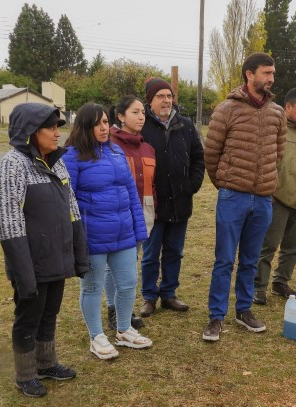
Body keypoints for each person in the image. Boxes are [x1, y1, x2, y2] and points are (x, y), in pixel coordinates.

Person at [0, 103, 88, 398]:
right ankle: (25, 374)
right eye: (51, 128)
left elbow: (72, 209)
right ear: (31, 132)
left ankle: (47, 363)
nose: (58, 133)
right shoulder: (12, 165)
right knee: (29, 315)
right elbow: (8, 221)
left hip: (56, 256)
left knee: (50, 311)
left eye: (58, 127)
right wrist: (23, 270)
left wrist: (78, 252)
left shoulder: (56, 163)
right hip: (30, 259)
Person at [202, 52, 286, 341]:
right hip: (232, 197)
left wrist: (266, 185)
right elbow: (211, 154)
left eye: (272, 73)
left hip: (263, 199)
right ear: (249, 75)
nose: (271, 78)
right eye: (266, 73)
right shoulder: (226, 109)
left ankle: (244, 310)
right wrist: (225, 184)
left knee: (250, 259)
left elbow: (279, 154)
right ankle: (215, 316)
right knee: (224, 259)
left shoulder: (277, 112)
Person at [63, 103, 152, 359]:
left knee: (127, 283)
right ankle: (97, 336)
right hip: (92, 237)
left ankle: (124, 330)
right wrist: (77, 237)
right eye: (98, 124)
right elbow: (68, 201)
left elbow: (131, 194)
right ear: (84, 126)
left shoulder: (115, 151)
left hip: (123, 234)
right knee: (92, 287)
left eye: (105, 122)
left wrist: (138, 230)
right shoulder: (72, 156)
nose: (104, 128)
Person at [137, 77, 205, 318]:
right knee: (151, 253)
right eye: (160, 96)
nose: (166, 100)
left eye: (169, 96)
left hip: (180, 201)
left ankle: (168, 294)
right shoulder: (141, 125)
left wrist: (192, 185)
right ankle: (149, 297)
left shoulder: (185, 125)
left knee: (175, 251)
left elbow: (198, 157)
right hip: (152, 204)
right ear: (150, 100)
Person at [253, 86, 296, 305]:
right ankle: (258, 287)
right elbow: (262, 163)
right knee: (268, 245)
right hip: (277, 201)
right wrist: (269, 190)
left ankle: (281, 282)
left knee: (293, 246)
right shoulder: (274, 132)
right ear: (289, 106)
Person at [106, 95, 156, 330]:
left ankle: (124, 308)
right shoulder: (109, 144)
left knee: (130, 263)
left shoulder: (147, 148)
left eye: (143, 112)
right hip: (115, 214)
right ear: (120, 116)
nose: (141, 116)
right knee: (112, 266)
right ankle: (113, 310)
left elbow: (151, 183)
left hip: (141, 214)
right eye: (135, 112)